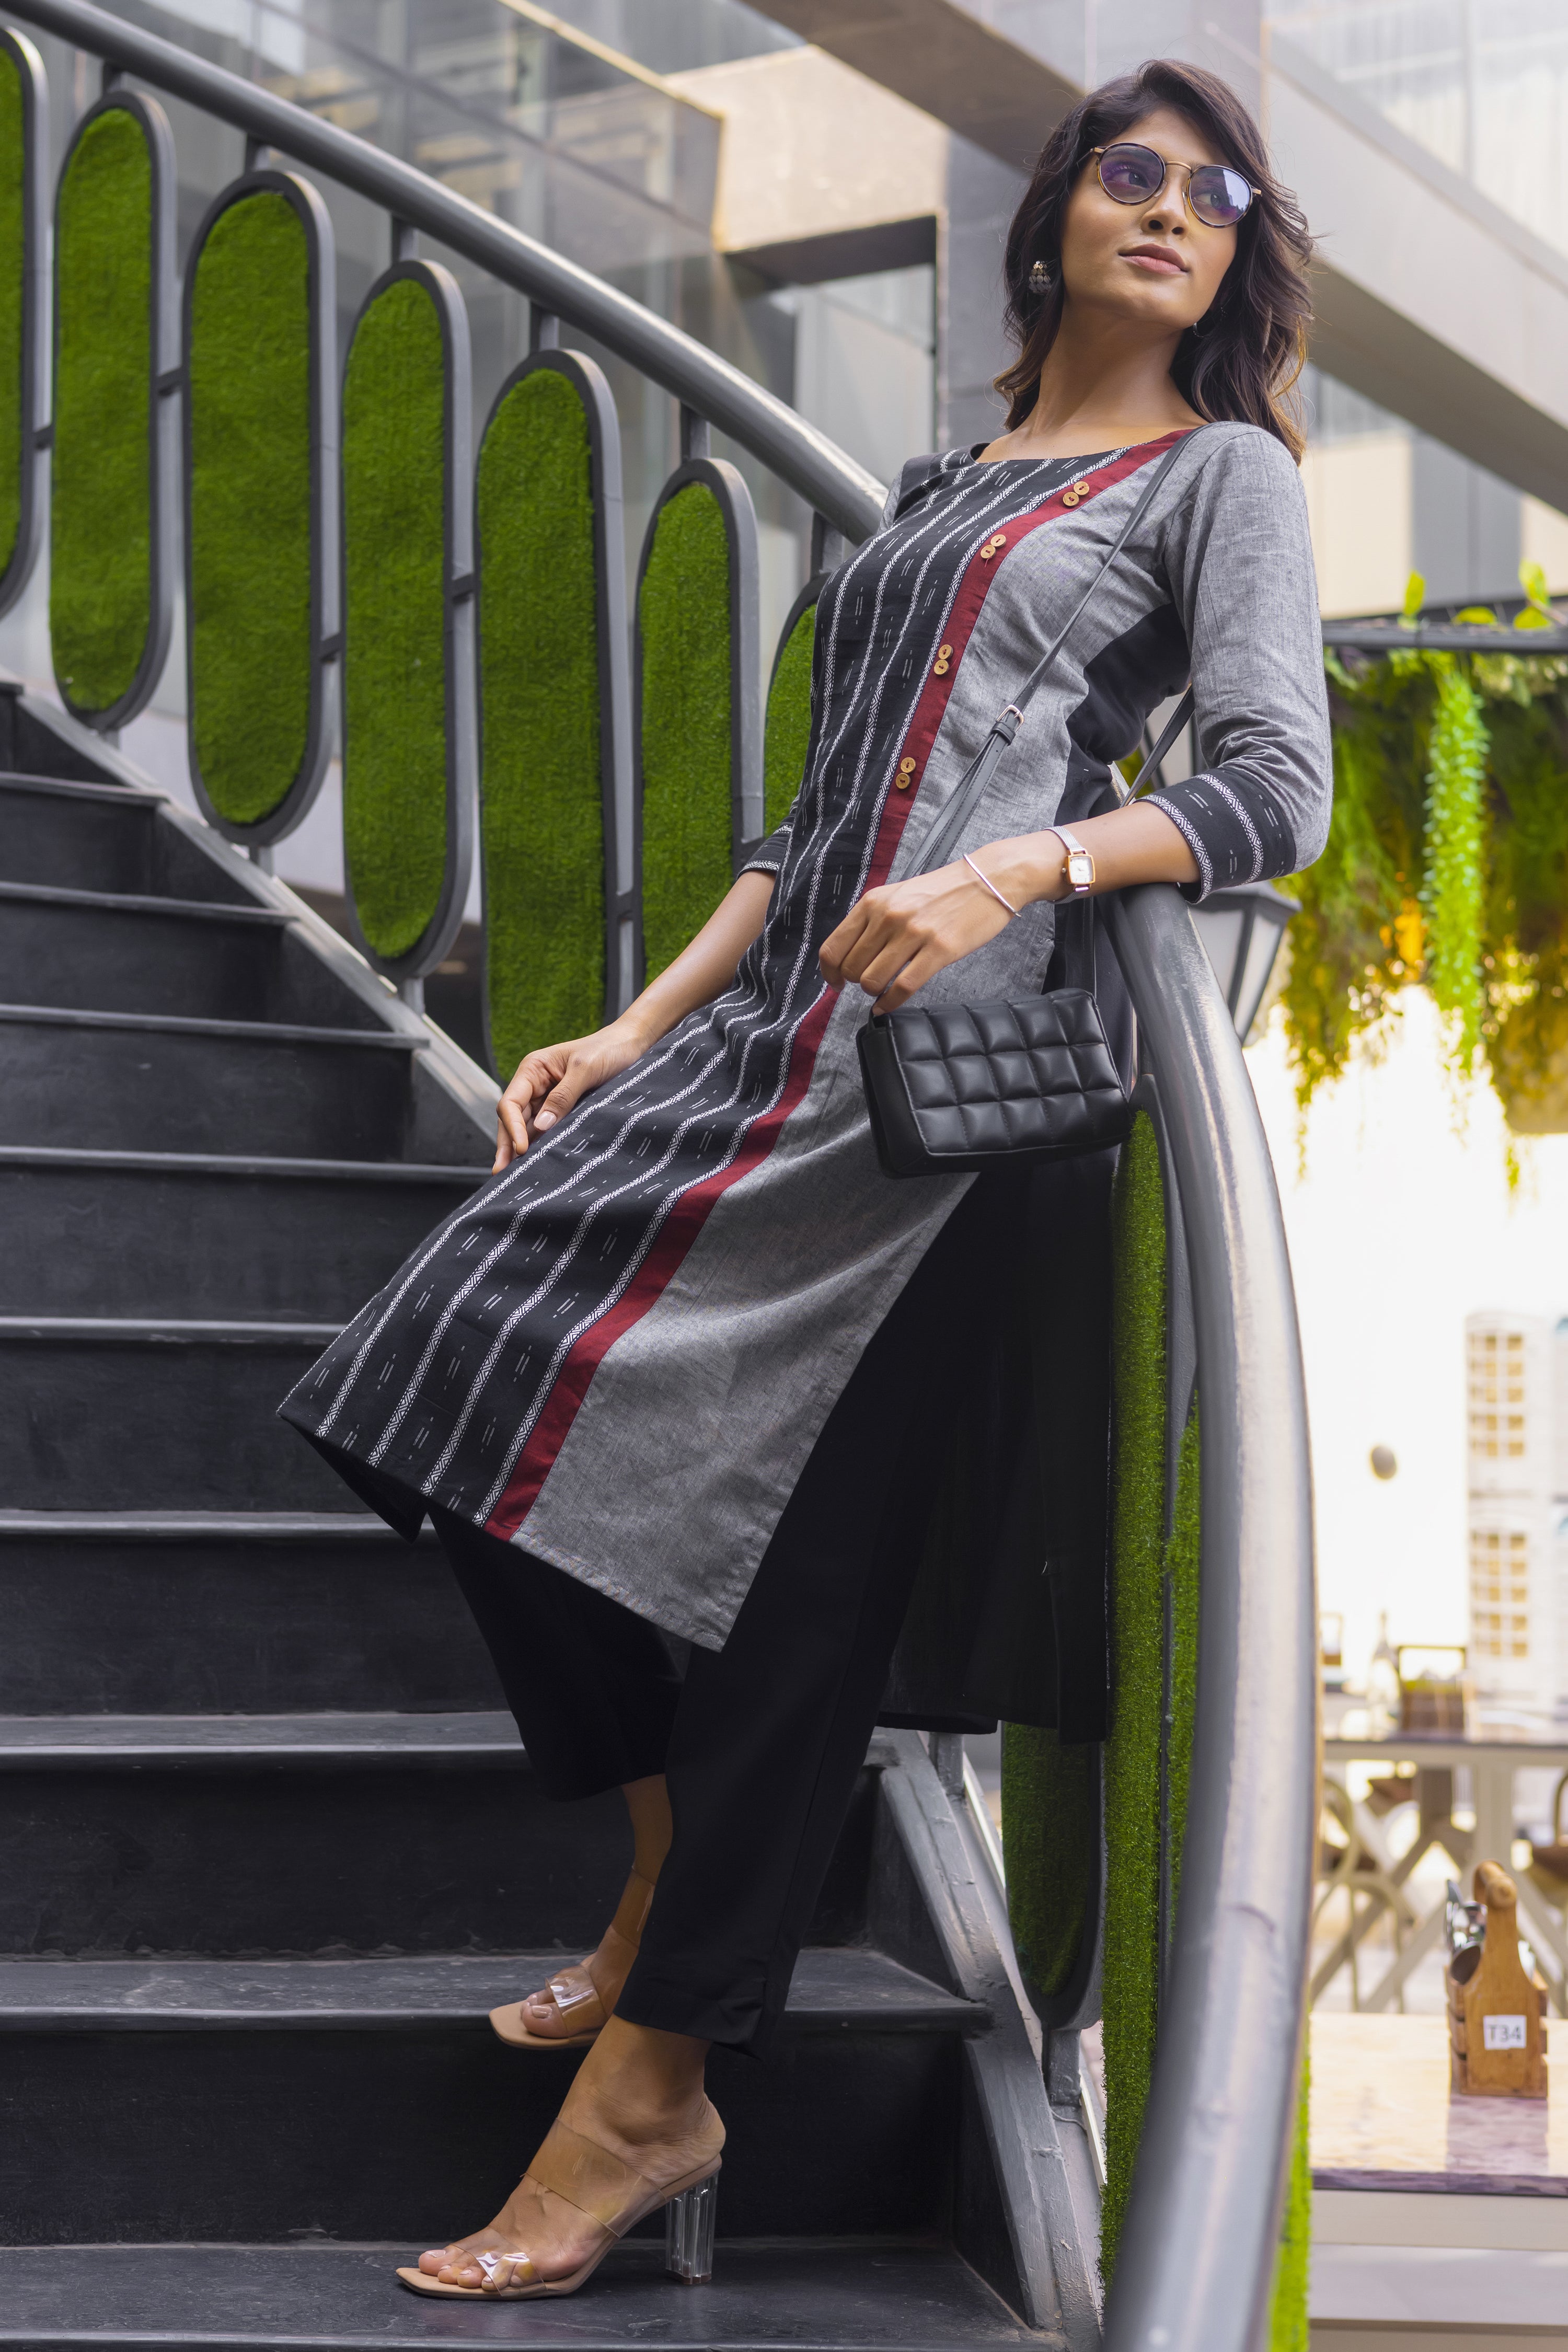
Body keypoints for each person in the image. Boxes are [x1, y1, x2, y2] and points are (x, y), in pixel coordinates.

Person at [280, 55, 1330, 2301]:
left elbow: (1274, 789)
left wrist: (1023, 867)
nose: (1171, 207)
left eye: (1216, 195)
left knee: (799, 1599)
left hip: (940, 1109)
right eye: (1132, 172)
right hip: (763, 1058)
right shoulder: (951, 482)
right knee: (431, 1375)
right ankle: (671, 1868)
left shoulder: (1218, 475)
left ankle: (649, 2094)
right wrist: (637, 1026)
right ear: (1057, 217)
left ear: (1236, 257)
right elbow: (818, 814)